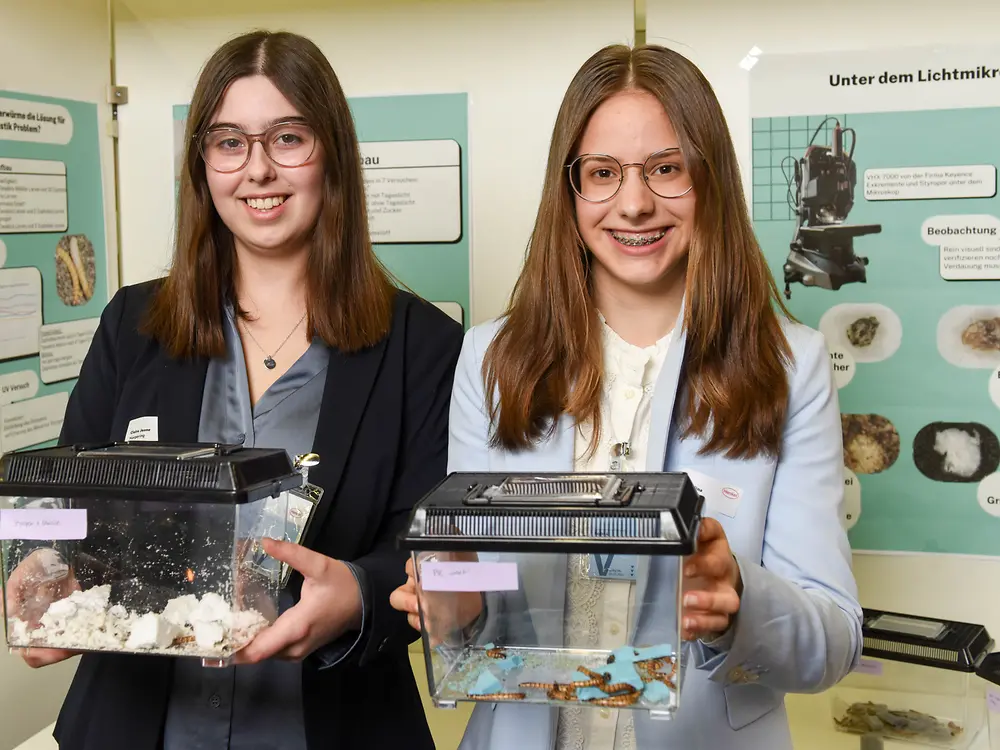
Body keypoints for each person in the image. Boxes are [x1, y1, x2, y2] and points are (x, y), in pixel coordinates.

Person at [390, 43, 862, 749]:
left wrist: (735, 603)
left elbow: (833, 638)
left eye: (667, 170)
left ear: (711, 182)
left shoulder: (788, 365)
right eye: (603, 173)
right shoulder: (493, 358)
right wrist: (456, 599)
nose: (635, 203)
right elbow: (486, 573)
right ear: (570, 189)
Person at [10, 29, 462, 750]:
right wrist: (47, 568)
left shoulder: (422, 346)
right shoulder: (133, 325)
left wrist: (360, 593)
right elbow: (72, 505)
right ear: (203, 165)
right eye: (228, 143)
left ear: (333, 157)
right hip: (135, 723)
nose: (257, 170)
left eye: (288, 138)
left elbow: (439, 549)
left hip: (339, 722)